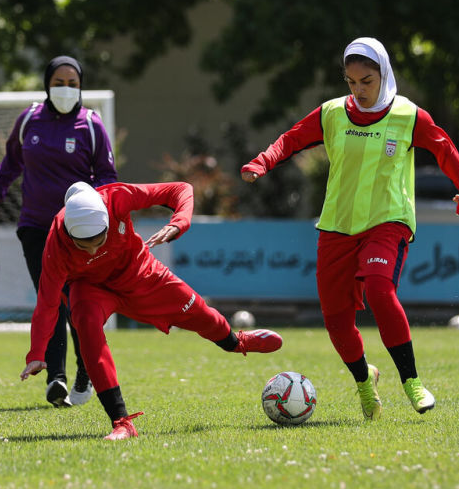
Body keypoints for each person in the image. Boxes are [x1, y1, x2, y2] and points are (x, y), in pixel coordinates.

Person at [240, 37, 459, 421]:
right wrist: (262, 161)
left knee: (379, 289)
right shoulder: (333, 113)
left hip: (388, 221)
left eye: (366, 81)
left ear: (384, 74)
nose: (359, 90)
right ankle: (364, 383)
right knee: (336, 319)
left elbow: (444, 148)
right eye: (352, 82)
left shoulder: (407, 116)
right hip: (337, 225)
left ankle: (412, 382)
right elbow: (292, 138)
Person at [20, 182, 284, 440]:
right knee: (84, 323)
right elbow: (47, 303)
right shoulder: (56, 243)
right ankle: (121, 422)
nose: (92, 249)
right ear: (68, 232)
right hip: (92, 289)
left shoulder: (117, 198)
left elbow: (180, 189)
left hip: (142, 274)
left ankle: (236, 343)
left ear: (108, 221)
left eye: (97, 240)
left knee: (200, 313)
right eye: (83, 245)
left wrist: (178, 222)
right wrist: (36, 352)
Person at [0, 55, 117, 409]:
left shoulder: (92, 125)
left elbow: (108, 179)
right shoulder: (29, 121)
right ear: (46, 84)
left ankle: (86, 370)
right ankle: (57, 378)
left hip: (78, 234)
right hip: (36, 228)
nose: (65, 89)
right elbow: (11, 163)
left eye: (72, 83)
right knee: (49, 300)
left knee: (77, 303)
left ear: (81, 87)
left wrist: (105, 216)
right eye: (59, 82)